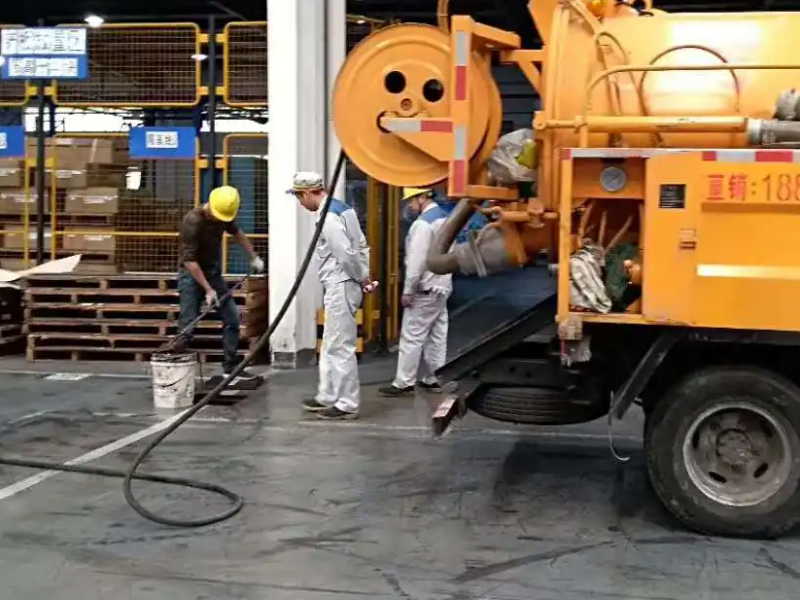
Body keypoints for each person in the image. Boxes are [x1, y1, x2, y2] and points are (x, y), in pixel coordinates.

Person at [289, 172, 372, 420]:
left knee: (340, 346)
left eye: (299, 197)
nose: (300, 203)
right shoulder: (342, 208)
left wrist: (361, 277)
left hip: (341, 283)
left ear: (307, 193)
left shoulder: (329, 217)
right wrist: (363, 274)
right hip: (341, 283)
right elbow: (360, 244)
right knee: (330, 343)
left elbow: (345, 253)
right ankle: (327, 395)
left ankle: (347, 403)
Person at [177, 185, 265, 377]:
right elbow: (189, 261)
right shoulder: (192, 222)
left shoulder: (223, 214)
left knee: (232, 318)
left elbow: (238, 234)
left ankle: (230, 367)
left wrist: (253, 257)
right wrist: (208, 290)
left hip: (213, 273)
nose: (221, 221)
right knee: (188, 325)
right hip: (191, 275)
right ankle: (176, 373)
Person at [379, 188, 452, 397]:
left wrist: (408, 290)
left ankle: (404, 382)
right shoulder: (446, 219)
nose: (409, 206)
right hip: (442, 286)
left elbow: (416, 262)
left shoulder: (423, 225)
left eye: (411, 201)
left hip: (425, 288)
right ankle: (435, 377)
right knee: (437, 334)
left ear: (422, 198)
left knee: (412, 335)